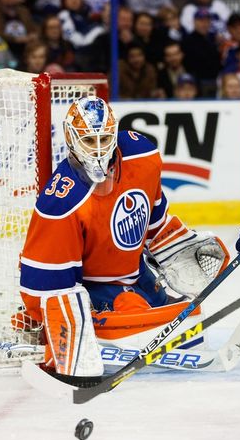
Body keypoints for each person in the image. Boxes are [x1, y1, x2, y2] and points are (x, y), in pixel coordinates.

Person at [18, 96, 229, 376]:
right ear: (71, 138)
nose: (98, 150)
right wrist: (54, 325)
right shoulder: (62, 201)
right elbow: (43, 280)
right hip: (96, 286)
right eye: (89, 141)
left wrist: (176, 244)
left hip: (135, 271)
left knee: (180, 317)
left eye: (104, 139)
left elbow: (153, 217)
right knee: (142, 313)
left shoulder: (142, 154)